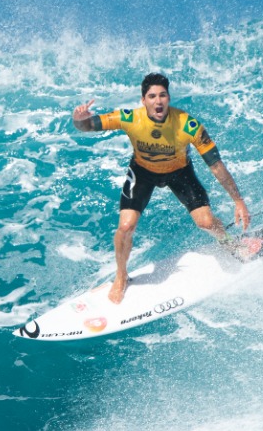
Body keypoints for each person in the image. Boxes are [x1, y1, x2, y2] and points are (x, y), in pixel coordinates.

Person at [72, 72, 253, 304]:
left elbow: (216, 166)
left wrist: (238, 201)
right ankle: (121, 276)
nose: (158, 101)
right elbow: (85, 126)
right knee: (125, 226)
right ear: (143, 100)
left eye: (163, 95)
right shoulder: (130, 118)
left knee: (206, 222)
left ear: (168, 98)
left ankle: (229, 242)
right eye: (152, 96)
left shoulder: (188, 125)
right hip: (143, 172)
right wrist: (78, 118)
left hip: (180, 173)